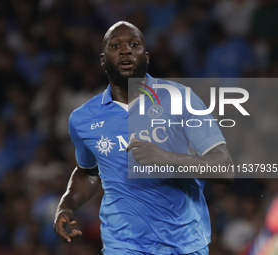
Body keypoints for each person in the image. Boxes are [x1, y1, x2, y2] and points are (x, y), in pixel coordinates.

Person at [53, 21, 234, 255]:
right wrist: (66, 205)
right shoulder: (83, 118)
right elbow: (88, 172)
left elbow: (224, 168)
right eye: (115, 45)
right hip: (123, 245)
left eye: (134, 44)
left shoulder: (181, 99)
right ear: (102, 59)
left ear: (145, 56)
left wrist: (166, 158)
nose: (126, 50)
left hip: (184, 244)